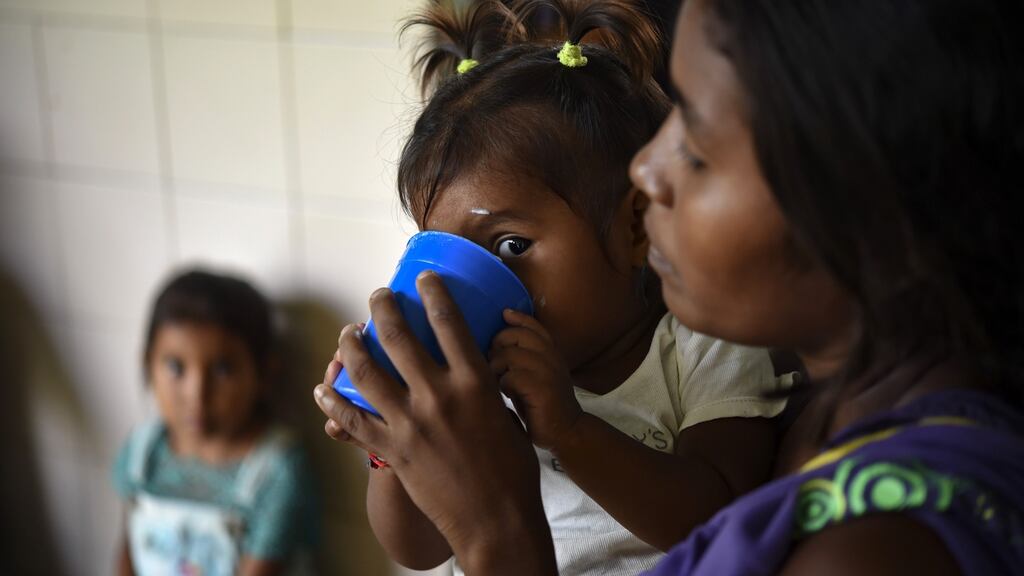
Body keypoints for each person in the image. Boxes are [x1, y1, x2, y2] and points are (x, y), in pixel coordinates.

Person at [315, 0, 1024, 573]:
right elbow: (413, 547)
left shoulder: (882, 546)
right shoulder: (837, 414)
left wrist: (501, 530)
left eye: (698, 144)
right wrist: (396, 439)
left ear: (860, 192)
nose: (645, 174)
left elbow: (705, 509)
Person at [333, 0, 792, 574]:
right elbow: (419, 550)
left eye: (510, 247)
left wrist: (570, 431)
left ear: (634, 227)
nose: (463, 290)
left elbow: (722, 518)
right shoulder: (479, 382)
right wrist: (393, 444)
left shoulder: (705, 347)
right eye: (442, 254)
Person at [113, 270, 319, 576]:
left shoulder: (275, 471)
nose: (197, 395)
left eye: (223, 369)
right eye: (175, 367)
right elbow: (126, 554)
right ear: (147, 364)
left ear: (264, 374)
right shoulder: (142, 454)